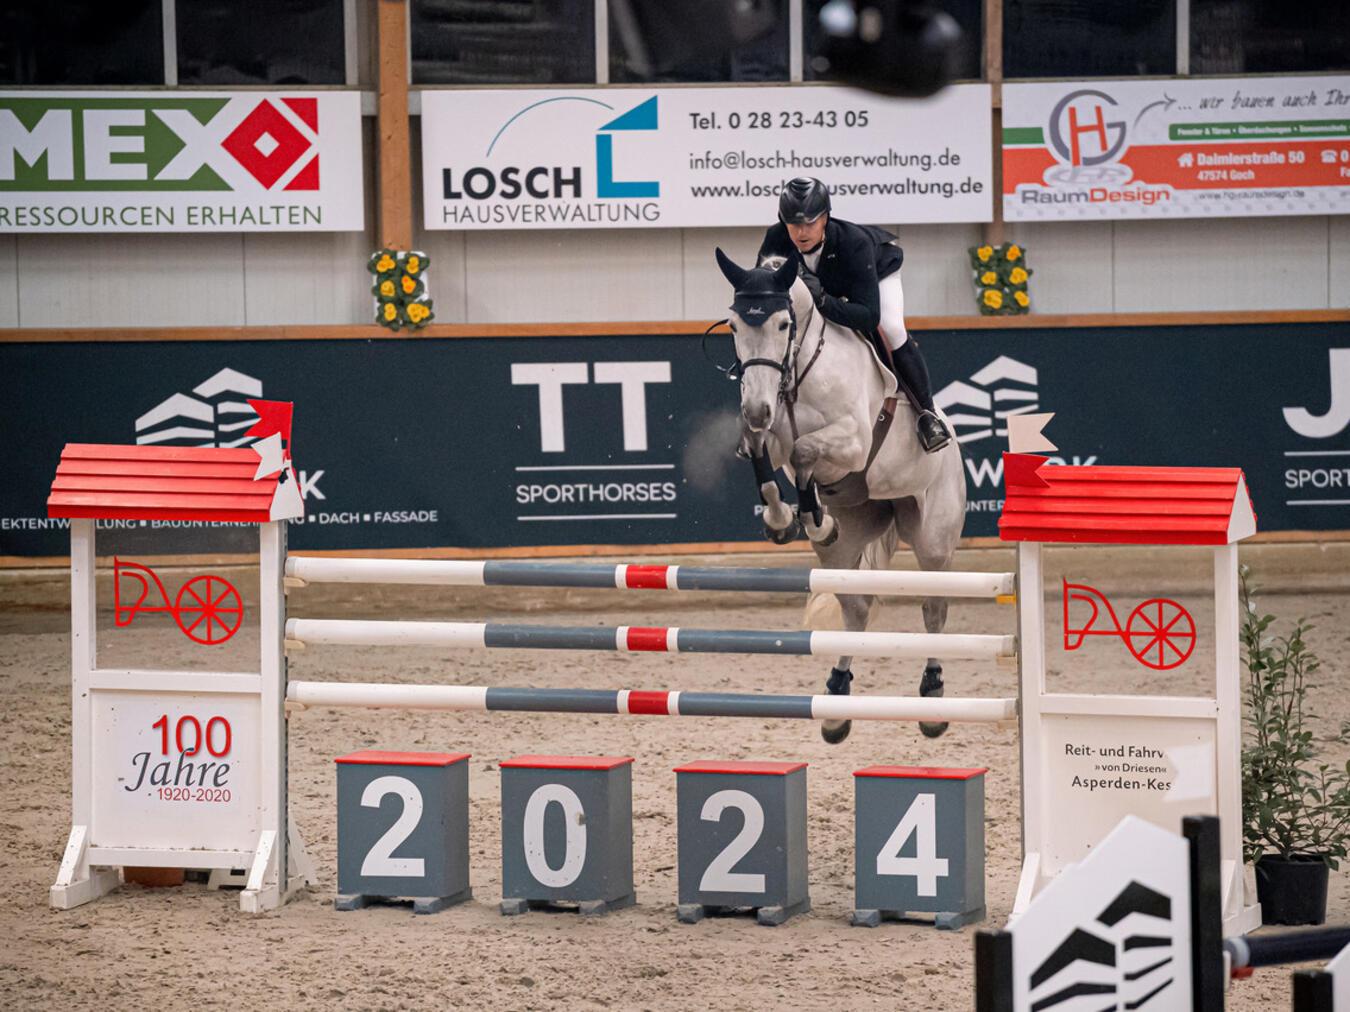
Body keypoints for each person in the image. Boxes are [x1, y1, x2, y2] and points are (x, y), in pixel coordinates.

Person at [757, 177, 951, 453]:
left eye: (810, 222)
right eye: (793, 224)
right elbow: (764, 293)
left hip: (877, 272)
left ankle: (927, 415)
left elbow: (868, 316)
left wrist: (822, 299)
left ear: (825, 218)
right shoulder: (775, 238)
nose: (801, 232)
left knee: (892, 327)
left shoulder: (854, 243)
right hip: (827, 287)